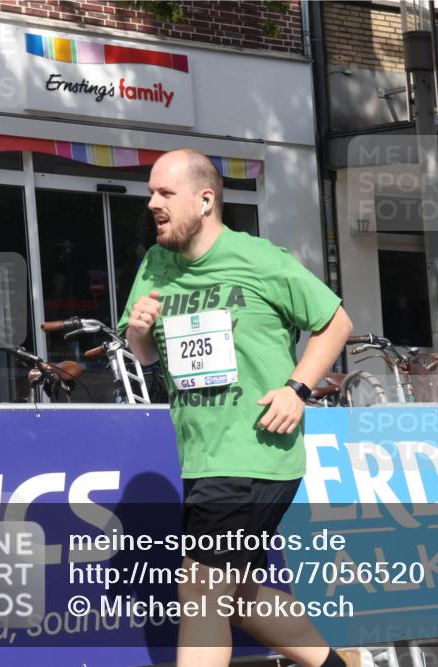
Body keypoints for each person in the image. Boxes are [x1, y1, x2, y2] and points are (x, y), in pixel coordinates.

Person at [117, 150, 362, 667]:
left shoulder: (259, 259)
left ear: (206, 200)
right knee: (237, 598)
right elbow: (146, 354)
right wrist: (139, 332)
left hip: (255, 448)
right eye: (150, 192)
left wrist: (297, 390)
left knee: (201, 590)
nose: (152, 203)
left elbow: (336, 323)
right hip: (203, 456)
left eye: (165, 193)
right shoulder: (156, 265)